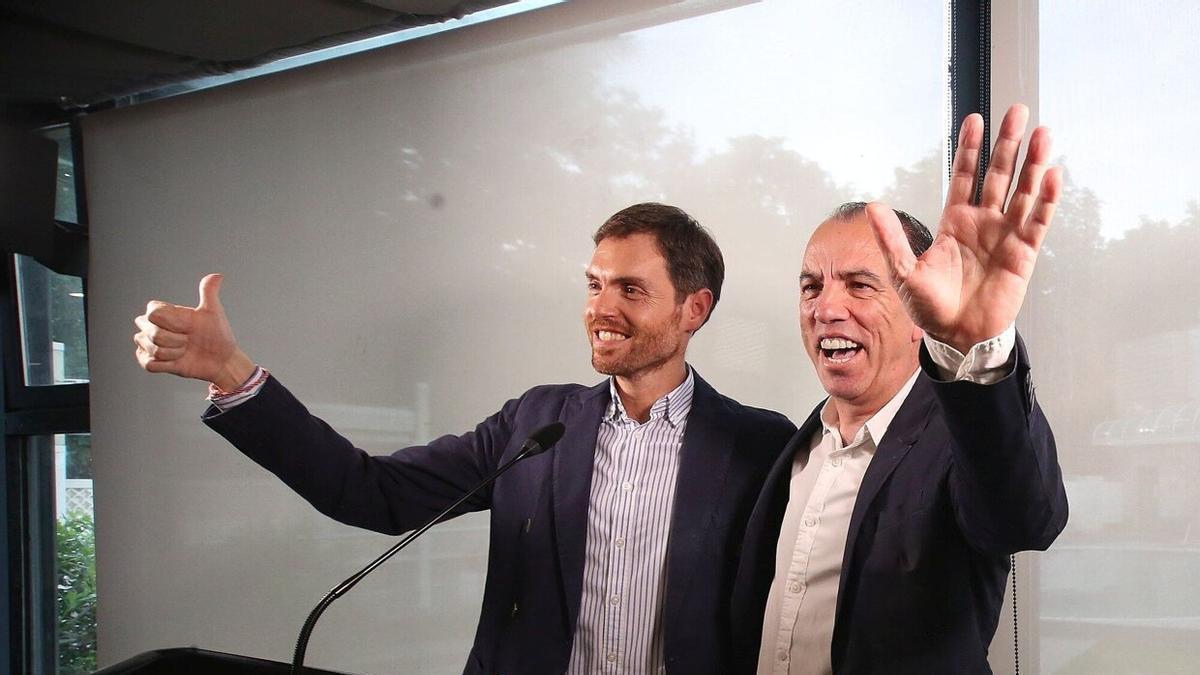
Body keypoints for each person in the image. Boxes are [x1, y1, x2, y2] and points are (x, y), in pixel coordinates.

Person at [133, 202, 796, 674]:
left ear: (694, 308)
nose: (601, 308)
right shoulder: (537, 423)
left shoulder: (761, 448)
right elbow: (372, 492)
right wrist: (230, 372)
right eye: (594, 284)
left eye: (630, 288)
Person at [730, 104, 1069, 674]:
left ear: (917, 313)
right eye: (811, 287)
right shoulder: (793, 449)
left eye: (860, 286)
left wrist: (977, 344)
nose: (826, 308)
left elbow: (1024, 520)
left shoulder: (955, 445)